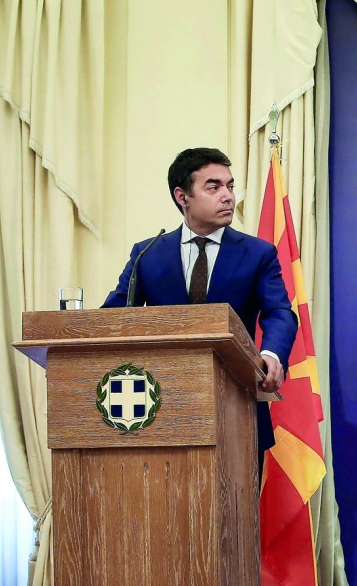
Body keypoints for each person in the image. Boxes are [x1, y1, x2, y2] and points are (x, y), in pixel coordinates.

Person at [102, 147, 298, 451]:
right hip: (159, 412)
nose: (228, 196)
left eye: (230, 186)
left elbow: (279, 312)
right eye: (214, 187)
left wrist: (272, 354)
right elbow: (113, 317)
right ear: (183, 197)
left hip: (236, 407)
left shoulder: (257, 253)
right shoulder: (148, 253)